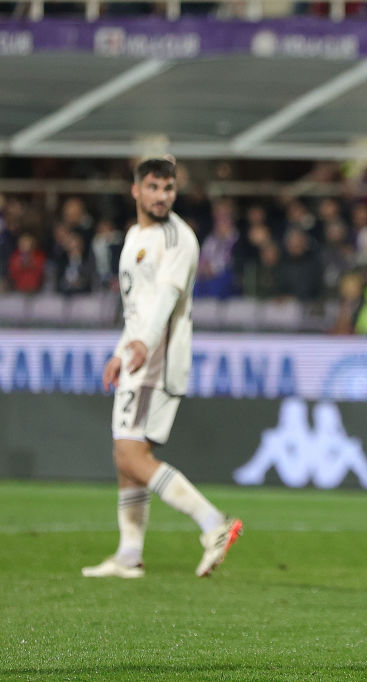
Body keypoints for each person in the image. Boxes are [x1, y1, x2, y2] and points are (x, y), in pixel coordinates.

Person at [82, 158, 242, 580]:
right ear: (136, 190)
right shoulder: (135, 235)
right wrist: (122, 350)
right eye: (153, 187)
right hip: (138, 354)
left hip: (157, 358)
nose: (161, 196)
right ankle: (129, 554)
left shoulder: (178, 237)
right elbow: (135, 309)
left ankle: (213, 523)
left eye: (168, 188)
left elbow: (167, 302)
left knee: (130, 454)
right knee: (127, 458)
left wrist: (138, 347)